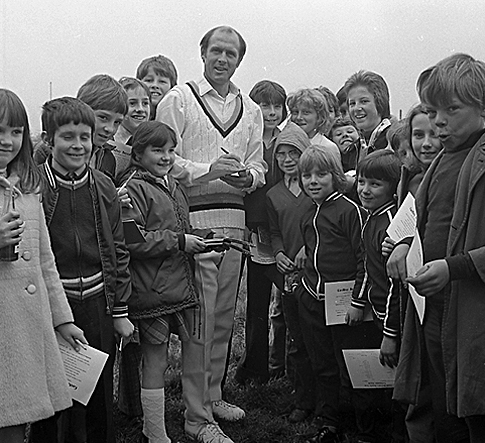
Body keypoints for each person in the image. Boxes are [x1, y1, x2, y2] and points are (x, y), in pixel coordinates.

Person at [156, 26, 266, 443]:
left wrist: (246, 177)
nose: (223, 59)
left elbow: (259, 167)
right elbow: (164, 158)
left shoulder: (251, 108)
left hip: (234, 221)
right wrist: (208, 171)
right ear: (202, 53)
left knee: (221, 319)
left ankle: (213, 393)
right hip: (193, 224)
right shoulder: (178, 98)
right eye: (216, 51)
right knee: (199, 322)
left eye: (231, 53)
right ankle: (197, 417)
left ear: (239, 60)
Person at [388, 53, 485, 443]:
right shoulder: (441, 160)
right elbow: (429, 221)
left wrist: (454, 267)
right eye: (432, 109)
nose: (439, 120)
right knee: (443, 405)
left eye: (452, 108)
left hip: (472, 311)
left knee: (474, 410)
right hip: (434, 307)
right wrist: (405, 242)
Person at [29, 97, 134, 443]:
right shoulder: (35, 189)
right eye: (68, 137)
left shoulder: (104, 186)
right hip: (51, 307)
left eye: (84, 137)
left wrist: (119, 311)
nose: (78, 145)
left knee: (98, 390)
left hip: (98, 303)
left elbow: (117, 249)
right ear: (48, 139)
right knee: (53, 397)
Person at [0, 89, 86, 443]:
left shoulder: (28, 188)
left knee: (16, 421)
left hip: (25, 325)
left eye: (16, 132)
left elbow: (45, 262)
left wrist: (62, 319)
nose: (7, 141)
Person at [118, 121, 208, 442]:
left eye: (171, 150)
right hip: (151, 291)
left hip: (176, 288)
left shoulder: (173, 185)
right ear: (138, 153)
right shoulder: (131, 189)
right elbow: (134, 241)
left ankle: (153, 427)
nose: (166, 156)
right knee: (155, 359)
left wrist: (202, 238)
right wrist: (181, 241)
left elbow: (180, 225)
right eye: (158, 150)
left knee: (167, 356)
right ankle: (155, 432)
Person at [296, 146, 366, 443]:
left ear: (335, 176)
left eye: (321, 174)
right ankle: (328, 420)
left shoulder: (349, 210)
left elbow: (364, 257)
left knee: (347, 361)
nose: (313, 181)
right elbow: (312, 249)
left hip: (344, 302)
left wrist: (357, 301)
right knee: (322, 361)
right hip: (313, 297)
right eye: (307, 175)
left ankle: (359, 419)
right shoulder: (309, 211)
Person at [346, 149, 405, 443]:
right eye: (361, 182)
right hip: (377, 313)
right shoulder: (371, 217)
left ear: (393, 187)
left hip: (395, 318)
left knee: (401, 385)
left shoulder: (393, 223)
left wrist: (391, 333)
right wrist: (358, 301)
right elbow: (367, 264)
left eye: (375, 184)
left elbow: (397, 284)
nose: (365, 190)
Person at [235, 79, 287, 385]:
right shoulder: (247, 138)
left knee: (268, 299)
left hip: (273, 230)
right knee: (246, 304)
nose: (270, 112)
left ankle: (272, 364)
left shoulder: (288, 139)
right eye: (264, 105)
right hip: (244, 223)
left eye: (276, 105)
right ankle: (251, 364)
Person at [265, 122, 316, 423]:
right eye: (281, 154)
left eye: (293, 152)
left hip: (314, 271)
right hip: (289, 275)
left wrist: (308, 248)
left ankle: (323, 398)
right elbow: (274, 232)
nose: (286, 159)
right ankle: (301, 397)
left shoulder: (313, 187)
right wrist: (280, 253)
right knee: (295, 337)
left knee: (315, 336)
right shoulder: (273, 195)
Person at [76, 74, 128, 180]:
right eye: (103, 117)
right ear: (82, 110)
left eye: (117, 122)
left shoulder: (108, 159)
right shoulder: (53, 151)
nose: (110, 129)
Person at [344, 70, 393, 169]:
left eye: (364, 101)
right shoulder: (352, 149)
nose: (357, 108)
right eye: (352, 103)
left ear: (380, 102)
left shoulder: (393, 143)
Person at [396, 104, 442, 205]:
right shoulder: (409, 181)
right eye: (419, 135)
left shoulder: (457, 179)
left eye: (434, 134)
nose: (426, 143)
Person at [111, 77, 151, 177]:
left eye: (145, 103)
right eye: (132, 103)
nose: (140, 109)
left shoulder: (153, 140)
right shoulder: (108, 139)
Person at [287, 88, 341, 160]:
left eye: (306, 112)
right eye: (295, 112)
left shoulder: (328, 147)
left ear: (319, 117)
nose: (299, 117)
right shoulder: (287, 144)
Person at [136, 55, 178, 120]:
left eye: (162, 81)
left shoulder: (176, 118)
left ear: (172, 87)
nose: (155, 85)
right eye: (149, 80)